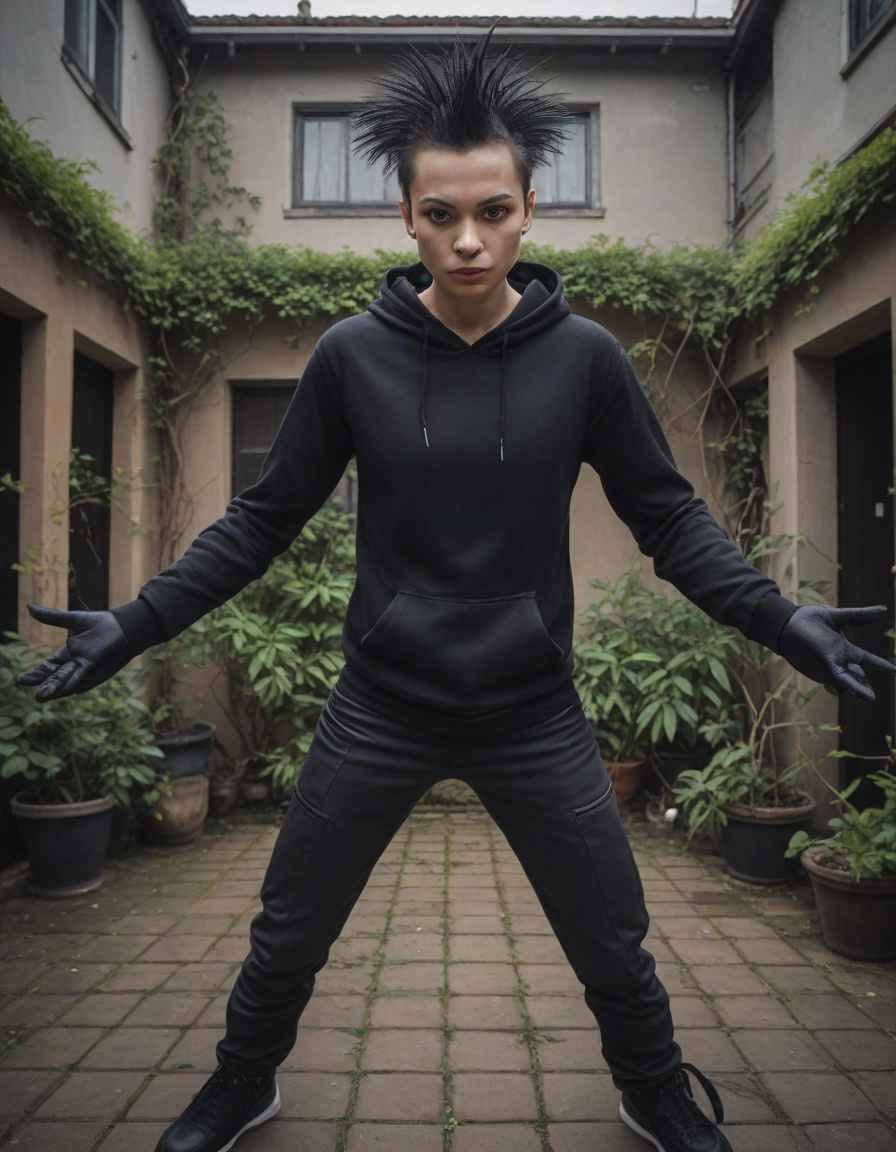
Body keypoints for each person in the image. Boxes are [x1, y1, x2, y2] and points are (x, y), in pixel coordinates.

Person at [19, 29, 894, 1152]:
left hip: (532, 712)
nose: (467, 240)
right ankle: (240, 1082)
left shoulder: (586, 359)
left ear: (531, 209)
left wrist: (779, 618)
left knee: (612, 934)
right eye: (441, 214)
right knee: (288, 927)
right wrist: (138, 623)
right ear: (406, 216)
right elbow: (263, 519)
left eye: (491, 211)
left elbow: (671, 521)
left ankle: (653, 1089)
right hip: (379, 705)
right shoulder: (352, 356)